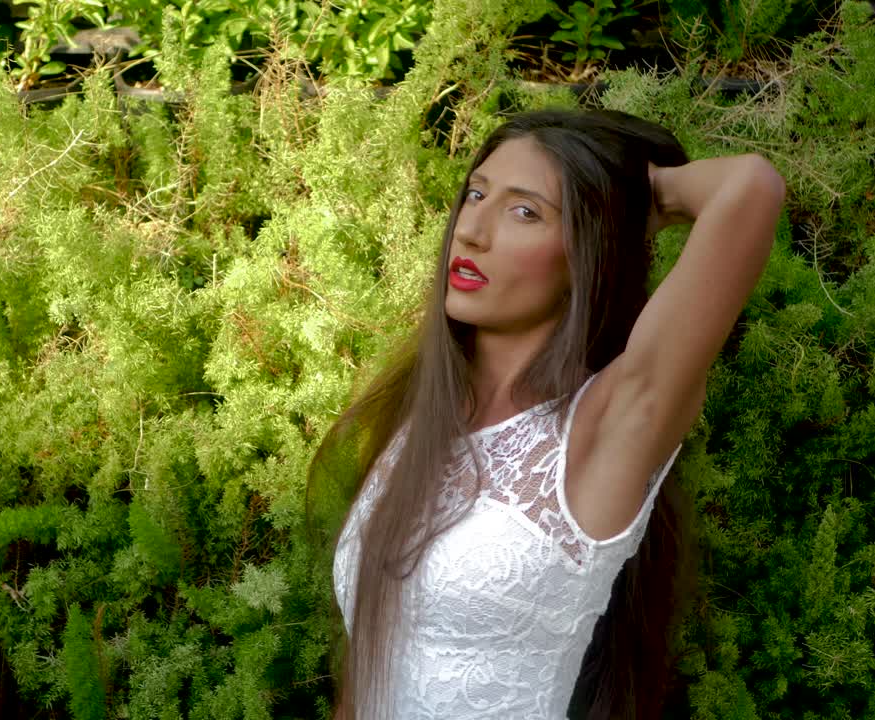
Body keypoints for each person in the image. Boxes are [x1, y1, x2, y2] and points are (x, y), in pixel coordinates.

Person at [305, 108, 786, 720]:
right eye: (475, 194)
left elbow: (750, 186)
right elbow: (364, 676)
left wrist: (635, 196)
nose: (473, 230)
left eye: (525, 211)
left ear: (590, 248)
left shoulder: (606, 426)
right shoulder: (419, 422)